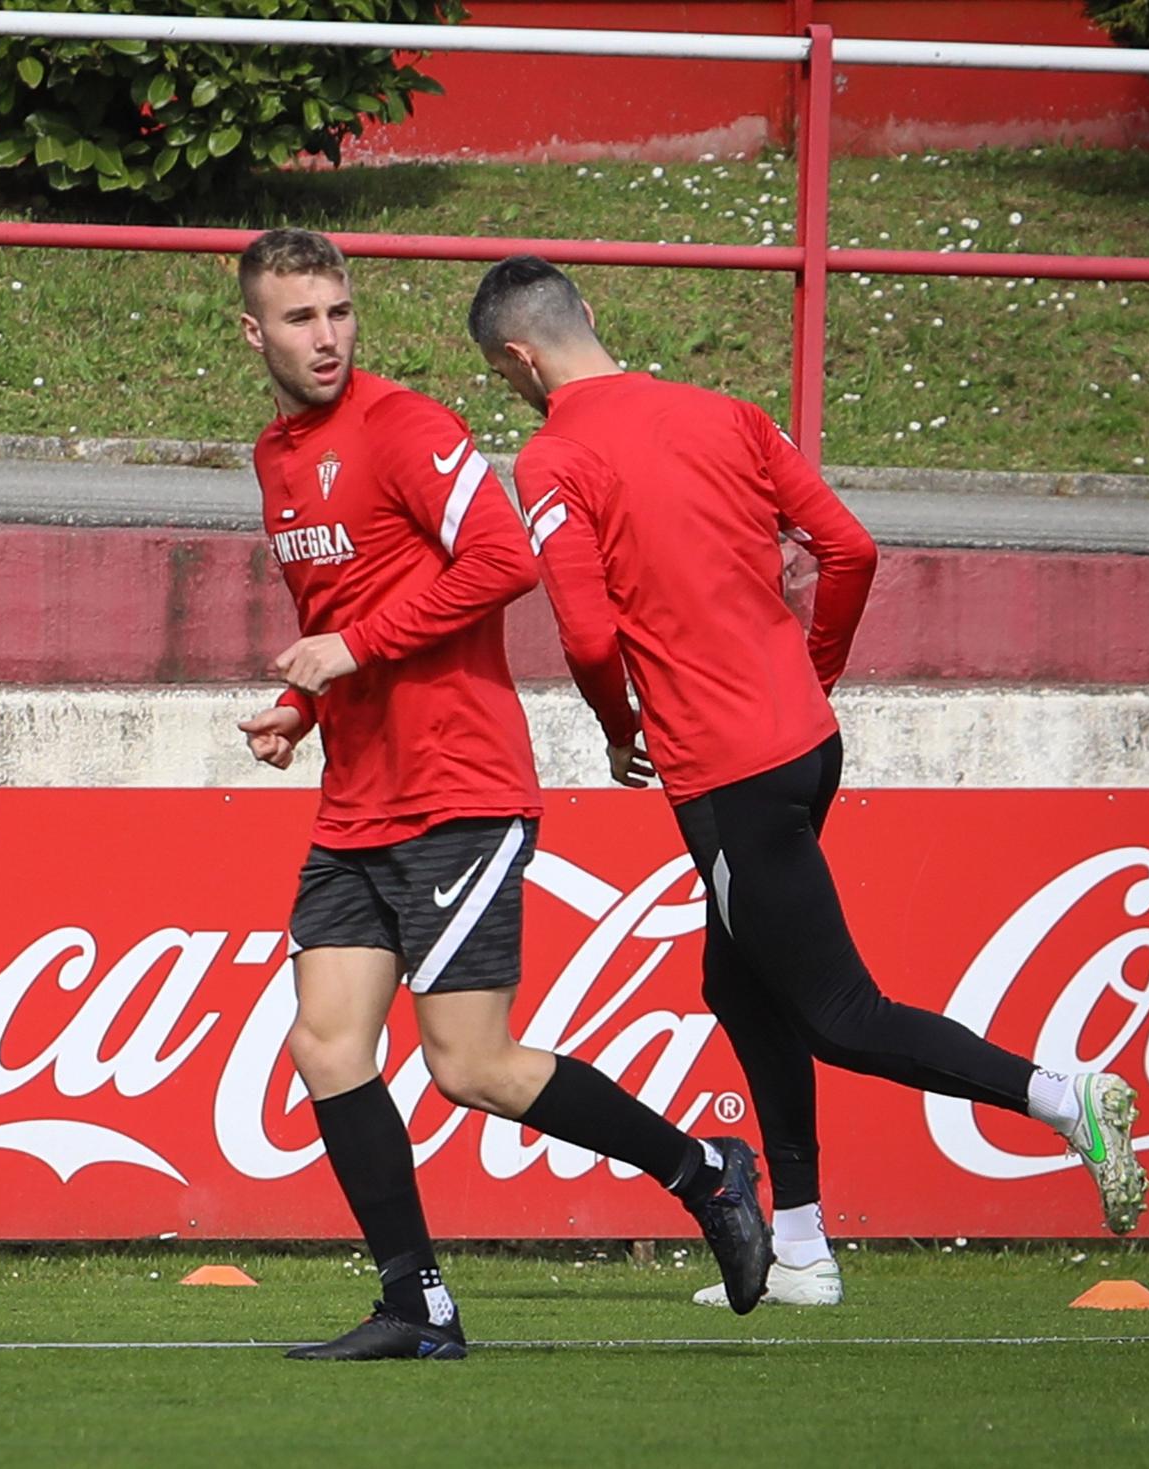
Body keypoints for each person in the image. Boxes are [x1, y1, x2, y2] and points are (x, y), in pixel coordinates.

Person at [466, 255, 1149, 1308]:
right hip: (800, 741)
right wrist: (811, 666)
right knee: (736, 984)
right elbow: (848, 546)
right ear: (588, 315)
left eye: (502, 377)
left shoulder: (553, 457)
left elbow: (588, 634)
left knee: (835, 1011)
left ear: (517, 358)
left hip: (725, 767)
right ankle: (798, 1247)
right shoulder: (729, 414)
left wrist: (615, 728)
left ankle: (1062, 1100)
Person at [235, 229, 772, 1362]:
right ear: (254, 332)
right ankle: (415, 1303)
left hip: (458, 788)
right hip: (357, 797)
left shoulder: (406, 426)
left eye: (337, 311)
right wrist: (305, 706)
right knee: (325, 1047)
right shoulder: (274, 457)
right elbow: (347, 613)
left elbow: (500, 561)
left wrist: (348, 652)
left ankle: (702, 1167)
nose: (325, 336)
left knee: (467, 1063)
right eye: (298, 318)